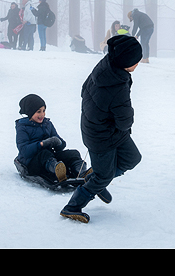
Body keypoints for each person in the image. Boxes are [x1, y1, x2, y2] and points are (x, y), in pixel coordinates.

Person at [60, 35, 143, 223]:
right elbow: (124, 121)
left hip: (107, 130)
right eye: (135, 61)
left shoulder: (108, 66)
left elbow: (84, 90)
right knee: (103, 175)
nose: (138, 64)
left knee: (132, 158)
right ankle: (73, 206)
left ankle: (96, 178)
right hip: (101, 137)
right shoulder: (117, 85)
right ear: (126, 62)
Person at [15, 94, 89, 183]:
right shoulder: (23, 127)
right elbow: (24, 151)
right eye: (38, 111)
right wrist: (42, 144)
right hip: (32, 163)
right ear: (30, 112)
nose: (42, 114)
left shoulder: (47, 124)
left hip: (51, 157)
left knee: (73, 153)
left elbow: (60, 144)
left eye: (44, 111)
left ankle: (81, 172)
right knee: (44, 154)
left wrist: (58, 142)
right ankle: (58, 172)